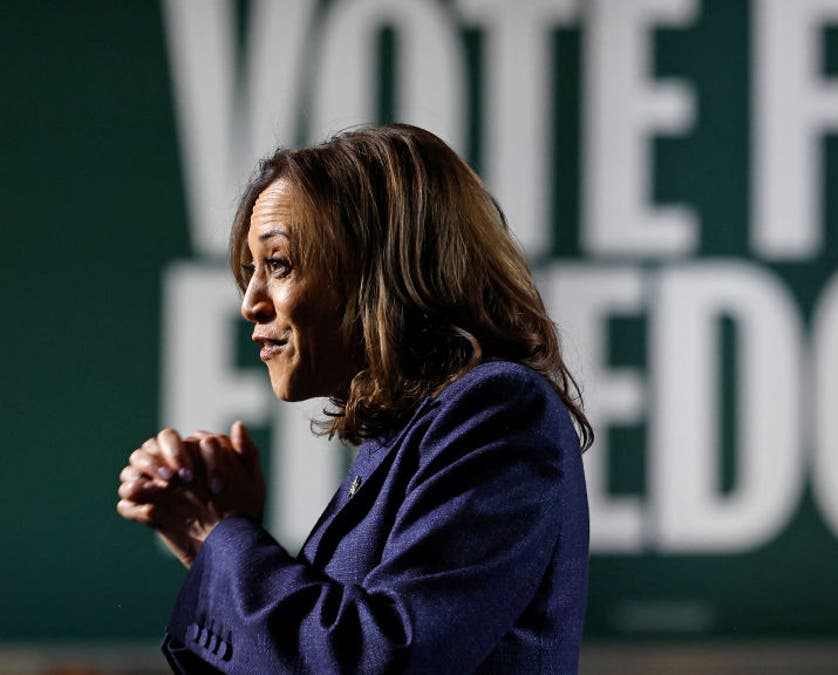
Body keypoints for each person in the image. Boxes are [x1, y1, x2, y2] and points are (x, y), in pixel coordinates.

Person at [116, 123, 592, 673]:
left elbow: (376, 659)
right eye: (251, 271)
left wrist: (219, 537)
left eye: (278, 263)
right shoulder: (402, 437)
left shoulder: (496, 410)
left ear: (377, 266)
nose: (250, 302)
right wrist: (212, 546)